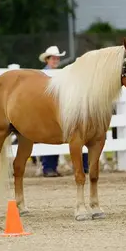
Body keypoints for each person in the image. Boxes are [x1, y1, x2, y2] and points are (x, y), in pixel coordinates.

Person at [38, 45, 89, 177]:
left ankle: (51, 168)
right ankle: (49, 167)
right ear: (47, 60)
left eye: (57, 58)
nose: (56, 60)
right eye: (53, 58)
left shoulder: (60, 73)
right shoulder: (42, 74)